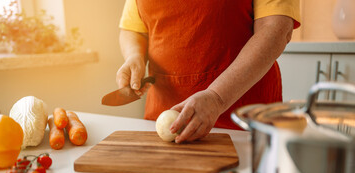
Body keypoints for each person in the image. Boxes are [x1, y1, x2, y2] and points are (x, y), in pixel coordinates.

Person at [116, 0, 300, 143]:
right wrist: (134, 56)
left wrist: (217, 97)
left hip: (241, 123)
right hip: (161, 119)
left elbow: (275, 29)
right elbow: (134, 29)